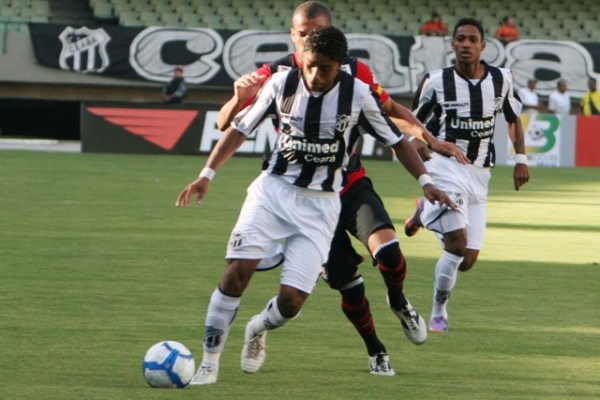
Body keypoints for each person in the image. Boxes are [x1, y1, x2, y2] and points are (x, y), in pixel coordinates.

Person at [176, 25, 455, 386]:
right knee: (235, 273)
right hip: (272, 194)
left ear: (340, 65)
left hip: (321, 206)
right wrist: (207, 174)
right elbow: (239, 128)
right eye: (309, 65)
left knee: (291, 302)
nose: (315, 74)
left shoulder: (357, 94)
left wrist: (427, 182)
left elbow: (397, 141)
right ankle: (209, 364)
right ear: (301, 58)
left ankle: (258, 327)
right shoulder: (280, 84)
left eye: (324, 68)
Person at [404, 17, 530, 333]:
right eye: (460, 39)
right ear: (453, 44)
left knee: (468, 259)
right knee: (457, 245)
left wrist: (521, 158)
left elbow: (514, 119)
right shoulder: (435, 81)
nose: (465, 44)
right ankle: (438, 313)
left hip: (479, 175)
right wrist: (423, 145)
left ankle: (424, 214)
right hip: (444, 168)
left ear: (483, 46)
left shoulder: (502, 80)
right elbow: (409, 123)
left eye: (472, 39)